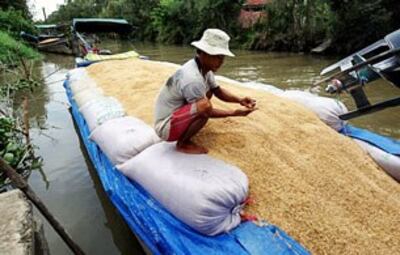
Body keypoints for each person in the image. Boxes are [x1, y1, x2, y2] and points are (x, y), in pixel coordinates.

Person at [154, 28, 257, 154]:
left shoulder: (205, 69)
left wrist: (240, 100)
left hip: (176, 115)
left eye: (222, 57)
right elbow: (206, 109)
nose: (221, 61)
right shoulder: (193, 78)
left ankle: (188, 129)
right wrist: (233, 113)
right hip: (165, 128)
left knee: (208, 94)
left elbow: (217, 90)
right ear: (202, 52)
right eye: (217, 56)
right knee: (204, 106)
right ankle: (183, 143)